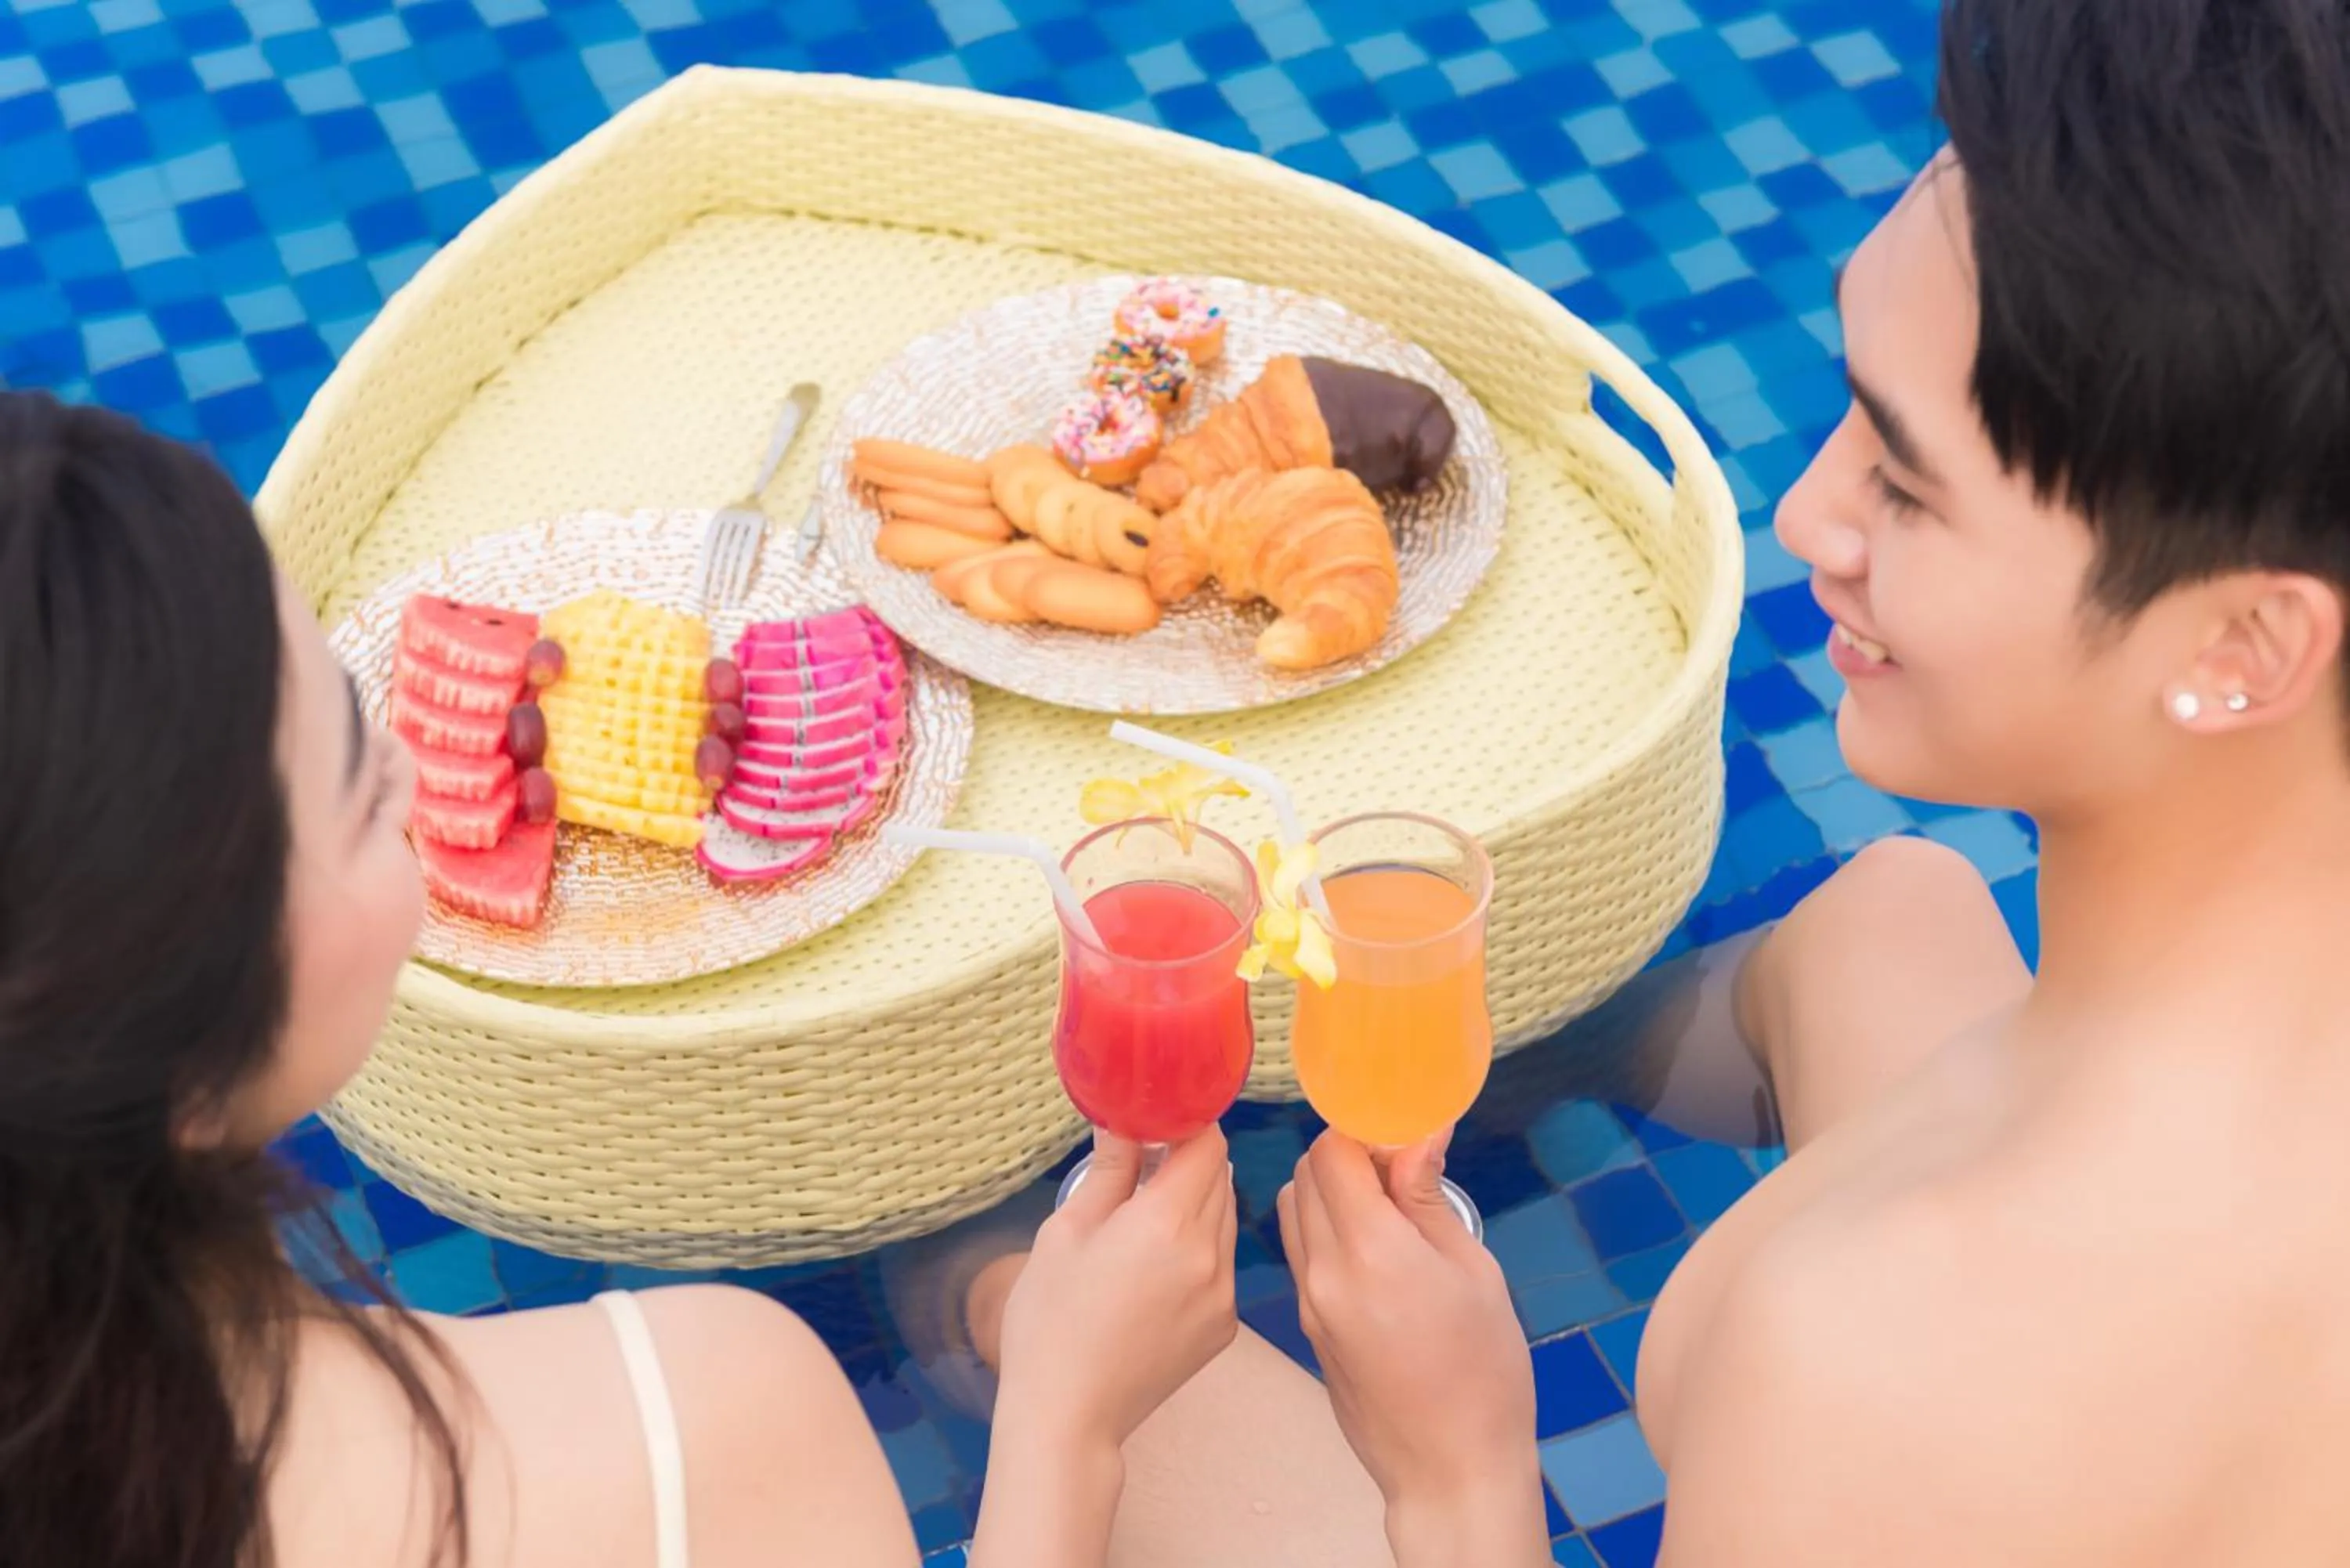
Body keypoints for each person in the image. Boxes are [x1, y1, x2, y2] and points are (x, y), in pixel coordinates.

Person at [1282, 0, 2350, 1562]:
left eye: (1904, 485)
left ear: (2250, 640)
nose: (1804, 512)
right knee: (1889, 917)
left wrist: (1459, 1470)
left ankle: (971, 1298)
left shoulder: (1866, 1366)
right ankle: (1516, 1073)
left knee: (1146, 1389)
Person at [0, 388, 1397, 1568]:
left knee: (1011, 1289)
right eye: (359, 771)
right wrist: (1066, 1428)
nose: (412, 757)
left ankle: (971, 1276)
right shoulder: (690, 1421)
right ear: (164, 1059)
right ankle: (977, 1279)